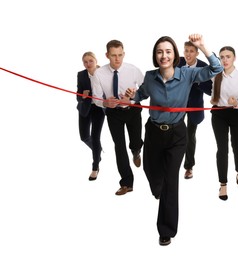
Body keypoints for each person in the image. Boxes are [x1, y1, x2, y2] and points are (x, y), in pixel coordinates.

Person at [125, 34, 223, 246]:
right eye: (160, 51)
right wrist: (132, 96)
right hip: (153, 132)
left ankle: (166, 230)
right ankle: (158, 188)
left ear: (175, 55)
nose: (164, 55)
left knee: (171, 179)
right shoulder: (150, 77)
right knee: (151, 172)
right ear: (155, 55)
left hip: (177, 135)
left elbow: (216, 69)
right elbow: (141, 94)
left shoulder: (187, 74)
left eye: (168, 51)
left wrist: (202, 47)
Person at [91, 40, 144, 196]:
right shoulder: (98, 74)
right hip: (113, 113)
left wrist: (133, 97)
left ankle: (136, 150)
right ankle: (127, 183)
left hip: (133, 109)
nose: (117, 59)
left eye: (120, 55)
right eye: (113, 55)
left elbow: (146, 89)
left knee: (135, 140)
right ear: (107, 55)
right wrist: (105, 102)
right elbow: (96, 98)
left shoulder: (133, 70)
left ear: (124, 54)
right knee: (119, 146)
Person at [210, 46, 238, 201]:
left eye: (228, 56)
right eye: (222, 57)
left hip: (237, 114)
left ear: (234, 58)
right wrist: (213, 100)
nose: (225, 60)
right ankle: (223, 184)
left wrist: (236, 103)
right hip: (219, 114)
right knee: (222, 149)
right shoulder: (216, 76)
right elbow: (214, 96)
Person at [177, 41, 213, 179]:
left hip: (194, 106)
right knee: (175, 133)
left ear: (197, 53)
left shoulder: (204, 67)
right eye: (186, 50)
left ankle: (188, 166)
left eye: (191, 51)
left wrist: (198, 82)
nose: (188, 54)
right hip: (178, 105)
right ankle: (172, 163)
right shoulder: (178, 62)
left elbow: (210, 90)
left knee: (189, 135)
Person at [76, 51, 105, 181]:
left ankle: (95, 167)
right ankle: (97, 151)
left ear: (96, 60)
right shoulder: (81, 75)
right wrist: (83, 95)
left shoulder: (104, 74)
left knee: (95, 137)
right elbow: (77, 96)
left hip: (99, 108)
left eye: (90, 61)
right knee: (84, 137)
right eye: (85, 62)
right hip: (85, 108)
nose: (88, 64)